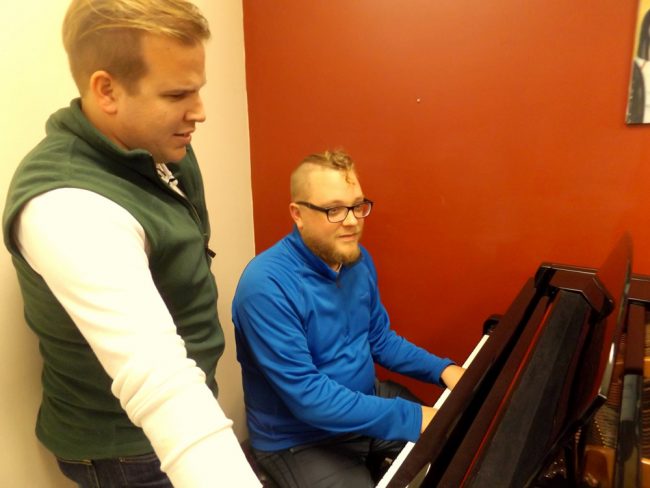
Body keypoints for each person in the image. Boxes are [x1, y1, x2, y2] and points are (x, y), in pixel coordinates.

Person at [2, 1, 261, 486]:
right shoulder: (68, 207)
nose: (200, 112)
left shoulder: (157, 143)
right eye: (178, 94)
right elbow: (159, 380)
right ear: (107, 91)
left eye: (198, 89)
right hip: (129, 449)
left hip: (169, 419)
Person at [232, 150, 464, 487]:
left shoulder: (355, 258)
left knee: (457, 437)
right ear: (298, 214)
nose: (353, 221)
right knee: (430, 425)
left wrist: (443, 369)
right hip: (301, 438)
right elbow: (309, 398)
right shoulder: (266, 286)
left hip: (364, 399)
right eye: (334, 210)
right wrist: (414, 418)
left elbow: (379, 339)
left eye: (357, 206)